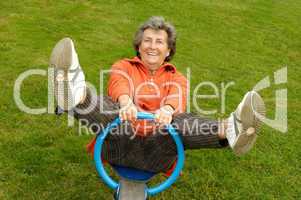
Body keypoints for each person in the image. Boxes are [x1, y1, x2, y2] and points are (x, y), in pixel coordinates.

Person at [49, 16, 265, 173]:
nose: (152, 46)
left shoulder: (177, 77)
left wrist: (167, 110)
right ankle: (74, 92)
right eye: (147, 40)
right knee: (110, 109)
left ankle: (232, 129)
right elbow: (119, 82)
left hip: (157, 151)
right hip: (118, 143)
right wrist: (126, 103)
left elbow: (178, 95)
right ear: (139, 46)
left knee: (180, 121)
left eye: (159, 41)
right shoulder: (124, 65)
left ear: (169, 50)